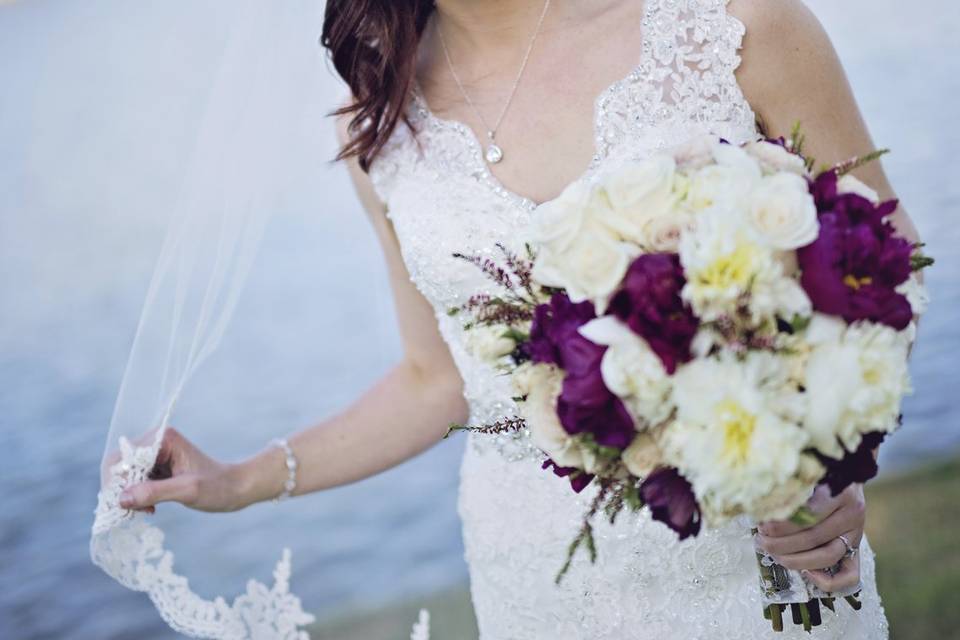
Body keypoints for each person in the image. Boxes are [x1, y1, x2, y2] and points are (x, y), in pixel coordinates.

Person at [119, 0, 918, 636]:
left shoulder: (740, 27)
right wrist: (239, 479)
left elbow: (887, 266)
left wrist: (824, 463)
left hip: (750, 555)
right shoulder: (376, 127)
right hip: (536, 577)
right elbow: (438, 379)